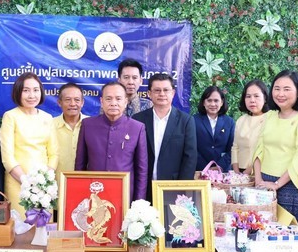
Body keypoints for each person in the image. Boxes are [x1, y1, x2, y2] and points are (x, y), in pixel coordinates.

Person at [253, 70, 298, 229]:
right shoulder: (270, 115)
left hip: (292, 185)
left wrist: (276, 184)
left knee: (288, 236)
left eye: (287, 89)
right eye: (277, 88)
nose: (280, 94)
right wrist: (259, 181)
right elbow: (259, 149)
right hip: (264, 183)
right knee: (261, 230)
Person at [75, 82, 148, 201]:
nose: (113, 103)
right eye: (108, 99)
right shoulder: (88, 125)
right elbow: (80, 165)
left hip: (124, 194)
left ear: (125, 101)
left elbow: (141, 170)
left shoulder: (137, 128)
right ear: (101, 101)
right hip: (94, 193)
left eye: (118, 99)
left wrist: (139, 202)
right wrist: (80, 196)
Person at [0, 73, 58, 217]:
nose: (32, 95)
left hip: (43, 187)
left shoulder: (47, 118)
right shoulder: (10, 116)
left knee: (43, 226)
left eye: (36, 90)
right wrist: (26, 182)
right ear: (18, 92)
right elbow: (7, 157)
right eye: (26, 90)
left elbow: (54, 154)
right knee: (20, 225)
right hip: (18, 184)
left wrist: (44, 181)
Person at [132, 73, 197, 201]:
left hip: (173, 187)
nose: (162, 94)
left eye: (166, 90)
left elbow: (190, 157)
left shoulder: (186, 121)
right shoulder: (138, 119)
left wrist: (182, 189)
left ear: (173, 93)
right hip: (143, 188)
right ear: (149, 94)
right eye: (157, 90)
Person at [231, 80, 269, 174]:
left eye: (256, 96)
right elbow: (235, 147)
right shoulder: (241, 120)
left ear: (265, 98)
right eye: (248, 96)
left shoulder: (270, 118)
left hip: (262, 171)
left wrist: (249, 170)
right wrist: (236, 171)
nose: (252, 100)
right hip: (240, 171)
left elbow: (266, 149)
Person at [194, 86, 235, 172]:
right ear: (203, 102)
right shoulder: (193, 120)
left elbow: (233, 148)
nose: (213, 104)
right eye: (209, 100)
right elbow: (191, 147)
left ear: (222, 102)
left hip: (223, 171)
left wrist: (219, 166)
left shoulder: (229, 122)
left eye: (216, 101)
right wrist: (206, 168)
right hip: (199, 170)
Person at [54, 83, 87, 181]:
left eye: (77, 100)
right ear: (59, 102)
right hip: (56, 184)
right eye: (68, 100)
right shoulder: (50, 125)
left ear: (82, 102)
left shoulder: (92, 125)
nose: (72, 104)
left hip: (86, 183)